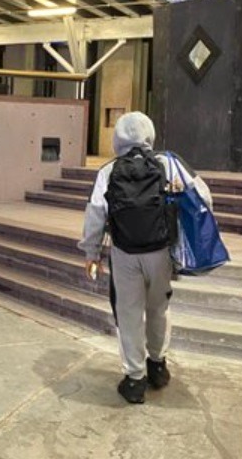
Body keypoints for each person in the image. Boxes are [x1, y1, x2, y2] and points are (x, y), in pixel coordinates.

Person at [78, 111, 212, 404]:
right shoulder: (170, 164)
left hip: (124, 253)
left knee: (128, 315)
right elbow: (203, 197)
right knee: (158, 309)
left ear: (117, 139)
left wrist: (91, 252)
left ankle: (134, 380)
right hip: (161, 252)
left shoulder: (108, 171)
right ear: (150, 135)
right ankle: (158, 366)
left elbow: (95, 213)